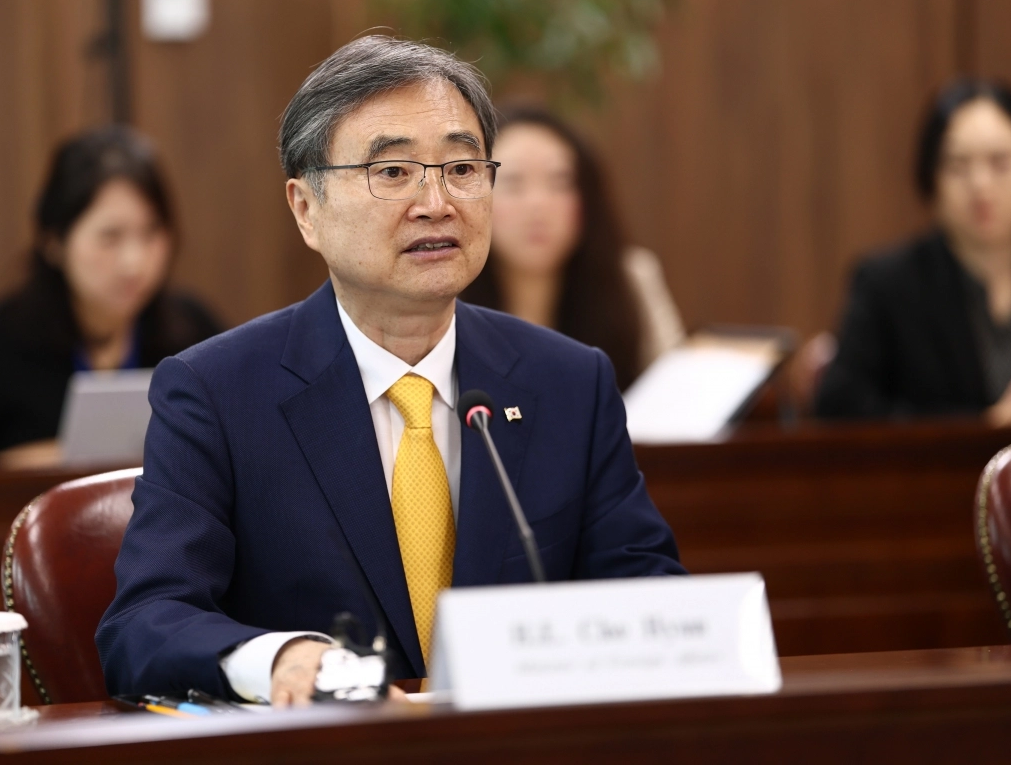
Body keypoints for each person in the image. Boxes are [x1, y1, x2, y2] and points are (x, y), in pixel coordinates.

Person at [96, 36, 685, 708]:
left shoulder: (568, 382)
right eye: (394, 171)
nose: (437, 202)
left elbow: (651, 599)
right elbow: (144, 624)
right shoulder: (217, 393)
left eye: (462, 168)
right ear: (306, 209)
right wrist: (282, 659)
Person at [0, 126, 223, 469]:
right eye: (110, 237)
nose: (134, 263)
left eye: (151, 232)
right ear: (54, 242)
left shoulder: (194, 331)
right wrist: (21, 465)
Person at [817, 79, 1011, 425]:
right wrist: (980, 425)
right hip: (936, 462)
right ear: (931, 179)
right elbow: (838, 407)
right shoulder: (886, 285)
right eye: (958, 166)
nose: (981, 185)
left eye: (1000, 163)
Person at [460, 107, 684, 390]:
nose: (538, 204)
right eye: (513, 182)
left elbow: (678, 391)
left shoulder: (632, 277)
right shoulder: (446, 290)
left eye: (560, 181)